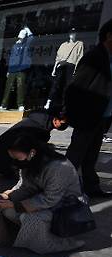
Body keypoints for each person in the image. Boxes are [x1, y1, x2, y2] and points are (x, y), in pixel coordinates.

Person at [0, 135, 86, 254]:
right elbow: (25, 186)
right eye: (12, 157)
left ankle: (58, 243)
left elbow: (49, 199)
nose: (15, 161)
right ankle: (31, 235)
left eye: (17, 157)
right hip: (43, 200)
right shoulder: (30, 162)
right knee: (7, 211)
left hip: (66, 206)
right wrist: (7, 196)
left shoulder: (58, 167)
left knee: (30, 218)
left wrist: (14, 205)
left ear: (32, 152)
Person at [64, 19, 112, 198]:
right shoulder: (95, 57)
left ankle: (92, 188)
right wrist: (71, 114)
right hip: (87, 116)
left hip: (101, 116)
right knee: (75, 155)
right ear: (109, 36)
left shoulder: (109, 58)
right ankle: (59, 188)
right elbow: (75, 88)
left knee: (91, 156)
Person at [0, 109, 68, 177]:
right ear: (56, 120)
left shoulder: (37, 121)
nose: (65, 126)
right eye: (63, 123)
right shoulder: (39, 129)